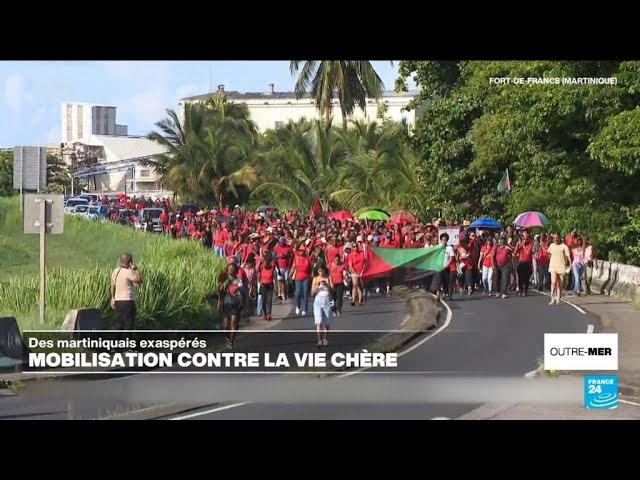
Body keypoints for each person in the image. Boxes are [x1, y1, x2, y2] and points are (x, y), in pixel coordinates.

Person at [110, 253, 142, 339]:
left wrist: (112, 298)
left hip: (118, 301)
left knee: (118, 324)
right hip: (127, 301)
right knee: (128, 324)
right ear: (130, 262)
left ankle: (113, 346)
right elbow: (139, 281)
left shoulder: (115, 271)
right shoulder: (128, 272)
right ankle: (126, 347)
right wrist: (136, 269)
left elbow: (112, 286)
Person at [218, 263, 243, 349]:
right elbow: (220, 293)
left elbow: (240, 292)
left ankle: (231, 343)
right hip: (226, 304)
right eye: (229, 269)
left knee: (233, 323)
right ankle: (227, 338)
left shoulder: (238, 281)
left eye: (232, 269)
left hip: (235, 304)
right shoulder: (224, 280)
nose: (230, 270)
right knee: (226, 326)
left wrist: (236, 291)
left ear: (235, 271)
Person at [311, 266, 334, 347]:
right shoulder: (315, 279)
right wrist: (317, 286)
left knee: (327, 322)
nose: (321, 273)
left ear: (324, 271)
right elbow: (312, 293)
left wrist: (327, 285)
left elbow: (332, 290)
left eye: (322, 271)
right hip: (318, 300)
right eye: (319, 271)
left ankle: (325, 339)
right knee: (318, 322)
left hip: (326, 300)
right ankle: (319, 340)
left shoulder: (329, 277)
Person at [547, 233, 571, 306]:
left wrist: (570, 263)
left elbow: (568, 255)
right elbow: (548, 253)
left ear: (560, 238)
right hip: (553, 266)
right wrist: (549, 258)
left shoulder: (564, 246)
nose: (556, 239)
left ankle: (558, 298)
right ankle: (552, 298)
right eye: (554, 238)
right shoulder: (551, 246)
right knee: (553, 282)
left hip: (561, 266)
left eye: (557, 238)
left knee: (560, 284)